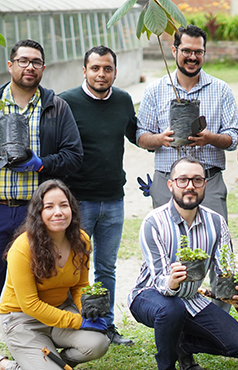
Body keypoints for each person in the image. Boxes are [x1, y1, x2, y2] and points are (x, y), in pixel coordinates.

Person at [128, 157, 238, 370]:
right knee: (171, 309)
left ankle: (181, 344)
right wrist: (172, 282)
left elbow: (226, 268)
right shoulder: (154, 222)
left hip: (190, 298)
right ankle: (166, 366)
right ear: (171, 184)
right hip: (149, 295)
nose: (190, 186)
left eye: (197, 180)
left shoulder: (216, 222)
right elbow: (159, 279)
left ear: (205, 184)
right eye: (182, 180)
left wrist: (235, 290)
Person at [58, 46, 137, 346]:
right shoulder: (66, 102)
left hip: (114, 199)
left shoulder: (123, 100)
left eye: (107, 69)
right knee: (73, 267)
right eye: (95, 68)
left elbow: (136, 135)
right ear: (84, 71)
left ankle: (106, 326)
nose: (101, 74)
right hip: (78, 203)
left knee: (106, 267)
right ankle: (72, 325)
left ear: (115, 72)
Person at [0, 39, 83, 294]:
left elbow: (74, 156)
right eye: (23, 61)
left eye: (36, 62)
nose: (30, 67)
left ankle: (25, 331)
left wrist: (41, 165)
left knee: (34, 279)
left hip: (35, 212)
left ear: (43, 68)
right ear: (10, 65)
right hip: (0, 205)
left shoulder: (56, 107)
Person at [0, 179, 110, 370]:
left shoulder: (81, 240)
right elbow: (30, 305)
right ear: (38, 213)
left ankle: (46, 363)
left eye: (64, 205)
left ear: (72, 210)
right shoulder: (22, 248)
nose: (58, 212)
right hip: (22, 319)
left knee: (98, 343)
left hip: (60, 309)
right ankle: (14, 366)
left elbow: (79, 285)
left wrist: (86, 310)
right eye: (49, 206)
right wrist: (78, 321)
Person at [137, 24, 238, 220]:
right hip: (167, 180)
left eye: (198, 52)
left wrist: (210, 138)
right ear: (174, 50)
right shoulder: (155, 89)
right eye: (186, 51)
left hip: (208, 181)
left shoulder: (221, 89)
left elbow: (234, 137)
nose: (192, 57)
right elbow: (141, 136)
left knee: (215, 244)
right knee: (168, 244)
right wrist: (160, 139)